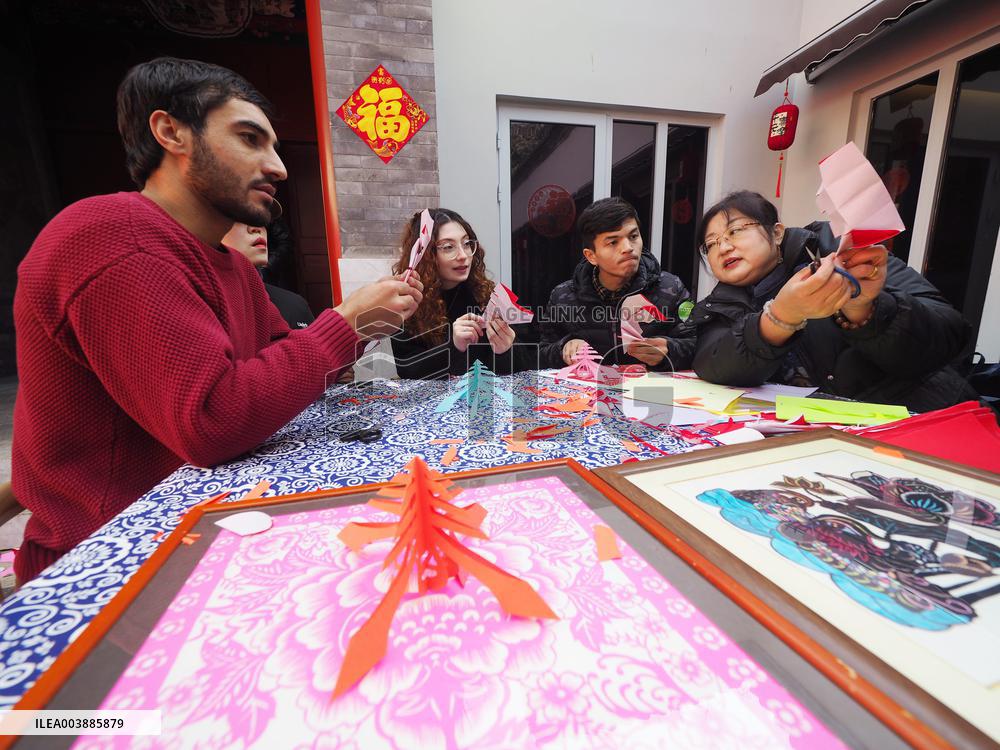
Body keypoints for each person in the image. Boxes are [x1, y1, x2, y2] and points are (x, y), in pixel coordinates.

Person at [11, 57, 422, 583]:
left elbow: (284, 372)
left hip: (204, 526)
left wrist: (364, 330)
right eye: (250, 139)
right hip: (109, 561)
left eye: (273, 146)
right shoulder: (114, 236)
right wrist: (342, 323)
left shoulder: (226, 263)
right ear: (171, 133)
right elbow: (213, 419)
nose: (277, 167)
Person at [690, 190, 977, 411]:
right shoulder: (715, 306)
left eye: (735, 231)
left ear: (777, 233)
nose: (723, 247)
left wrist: (864, 309)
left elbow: (952, 334)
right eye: (711, 244)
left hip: (919, 420)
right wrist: (779, 318)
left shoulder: (841, 255)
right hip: (810, 442)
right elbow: (712, 365)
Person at [539, 197, 696, 371]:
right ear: (591, 256)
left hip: (650, 393)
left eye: (633, 236)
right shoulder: (563, 297)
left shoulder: (671, 287)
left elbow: (697, 345)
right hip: (587, 394)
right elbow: (542, 352)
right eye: (613, 242)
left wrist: (669, 351)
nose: (628, 247)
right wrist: (564, 348)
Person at [390, 208, 535, 379]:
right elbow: (407, 369)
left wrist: (507, 350)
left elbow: (524, 369)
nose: (463, 255)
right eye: (448, 247)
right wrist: (454, 347)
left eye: (466, 244)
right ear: (426, 254)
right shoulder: (407, 302)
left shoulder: (484, 296)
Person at [222, 215, 315, 330]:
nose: (257, 228)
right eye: (240, 219)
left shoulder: (295, 305)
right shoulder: (204, 302)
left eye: (262, 221)